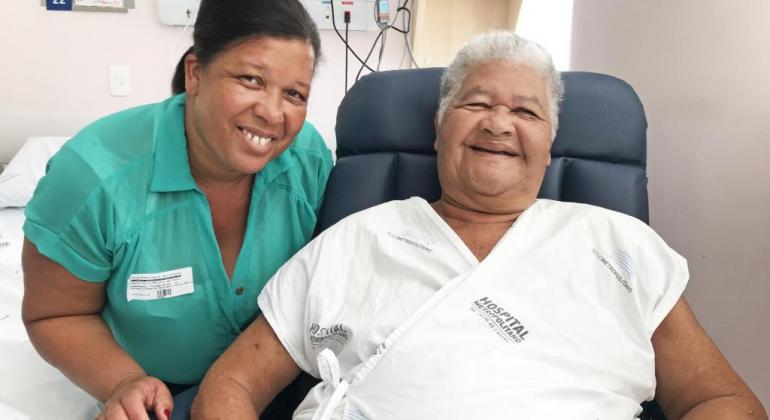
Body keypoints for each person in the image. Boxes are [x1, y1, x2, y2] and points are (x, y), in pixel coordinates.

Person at [190, 32, 767, 419]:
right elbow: (232, 383)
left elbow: (719, 399)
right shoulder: (358, 237)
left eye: (526, 111)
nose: (498, 123)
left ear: (550, 146)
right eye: (476, 104)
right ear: (440, 128)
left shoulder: (619, 245)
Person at [20, 1, 331, 419]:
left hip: (279, 383)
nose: (273, 113)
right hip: (156, 395)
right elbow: (56, 313)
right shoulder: (93, 178)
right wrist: (123, 382)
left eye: (294, 93)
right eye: (252, 79)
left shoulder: (308, 161)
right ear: (195, 72)